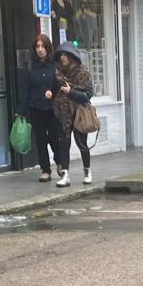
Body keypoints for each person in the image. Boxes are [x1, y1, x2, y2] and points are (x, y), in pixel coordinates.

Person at [23, 33, 69, 186]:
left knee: (54, 137)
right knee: (40, 140)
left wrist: (53, 92)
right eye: (37, 46)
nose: (40, 49)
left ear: (48, 48)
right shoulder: (30, 67)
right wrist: (20, 110)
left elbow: (60, 85)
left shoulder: (54, 67)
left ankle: (59, 163)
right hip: (36, 107)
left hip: (51, 108)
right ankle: (45, 170)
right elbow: (26, 90)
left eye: (43, 46)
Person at [54, 41, 95, 186]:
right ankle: (65, 175)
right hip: (63, 114)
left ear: (72, 57)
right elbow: (54, 91)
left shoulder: (83, 73)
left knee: (82, 144)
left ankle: (87, 171)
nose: (62, 58)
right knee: (63, 145)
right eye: (60, 55)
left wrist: (70, 92)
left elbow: (88, 95)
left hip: (79, 114)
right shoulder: (58, 74)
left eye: (65, 55)